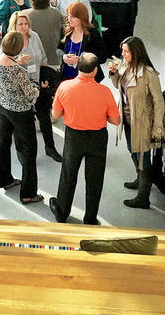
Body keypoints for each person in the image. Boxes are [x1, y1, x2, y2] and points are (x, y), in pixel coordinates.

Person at [50, 52, 119, 225]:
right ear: (95, 70)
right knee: (95, 179)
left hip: (74, 136)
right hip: (97, 138)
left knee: (68, 174)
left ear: (78, 66)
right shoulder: (104, 91)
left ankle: (61, 212)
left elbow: (55, 114)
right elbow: (116, 120)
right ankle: (90, 218)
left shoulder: (64, 87)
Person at [108, 36, 165, 208]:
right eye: (123, 50)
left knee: (144, 157)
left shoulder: (148, 74)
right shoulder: (126, 67)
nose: (122, 54)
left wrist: (158, 127)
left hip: (143, 122)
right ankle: (140, 179)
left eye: (126, 51)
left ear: (135, 52)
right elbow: (120, 85)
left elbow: (159, 102)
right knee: (132, 151)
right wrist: (113, 73)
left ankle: (143, 198)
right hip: (127, 119)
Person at [0, 31, 42, 204]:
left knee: (3, 142)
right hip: (20, 112)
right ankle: (28, 193)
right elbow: (30, 95)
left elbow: (6, 67)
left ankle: (5, 179)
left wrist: (16, 61)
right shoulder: (18, 71)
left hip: (2, 105)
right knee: (29, 151)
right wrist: (37, 89)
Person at [11, 9, 61, 162]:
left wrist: (44, 77)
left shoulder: (35, 37)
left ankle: (50, 148)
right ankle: (22, 152)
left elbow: (43, 58)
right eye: (21, 24)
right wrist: (17, 61)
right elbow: (5, 64)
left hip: (38, 85)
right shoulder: (11, 41)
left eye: (26, 23)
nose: (24, 27)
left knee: (44, 117)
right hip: (21, 89)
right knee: (22, 123)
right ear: (14, 25)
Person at [59, 0, 104, 82]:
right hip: (66, 77)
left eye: (73, 17)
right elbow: (58, 49)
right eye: (68, 16)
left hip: (87, 79)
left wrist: (82, 60)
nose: (69, 19)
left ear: (81, 17)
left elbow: (102, 57)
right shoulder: (66, 32)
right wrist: (63, 56)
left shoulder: (92, 34)